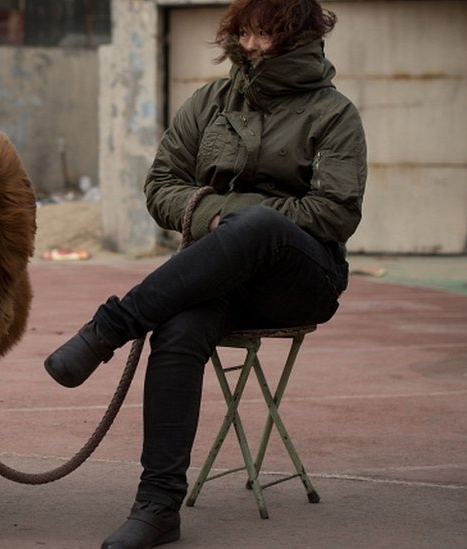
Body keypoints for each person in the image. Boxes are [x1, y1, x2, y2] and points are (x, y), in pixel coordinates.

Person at [44, 0, 366, 547]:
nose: (252, 45)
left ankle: (111, 327)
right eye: (246, 32)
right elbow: (160, 185)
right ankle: (158, 506)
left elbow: (334, 213)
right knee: (178, 328)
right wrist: (215, 217)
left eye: (267, 33)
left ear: (299, 36)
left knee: (259, 225)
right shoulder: (209, 103)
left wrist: (237, 217)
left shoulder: (333, 114)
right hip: (219, 275)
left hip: (301, 280)